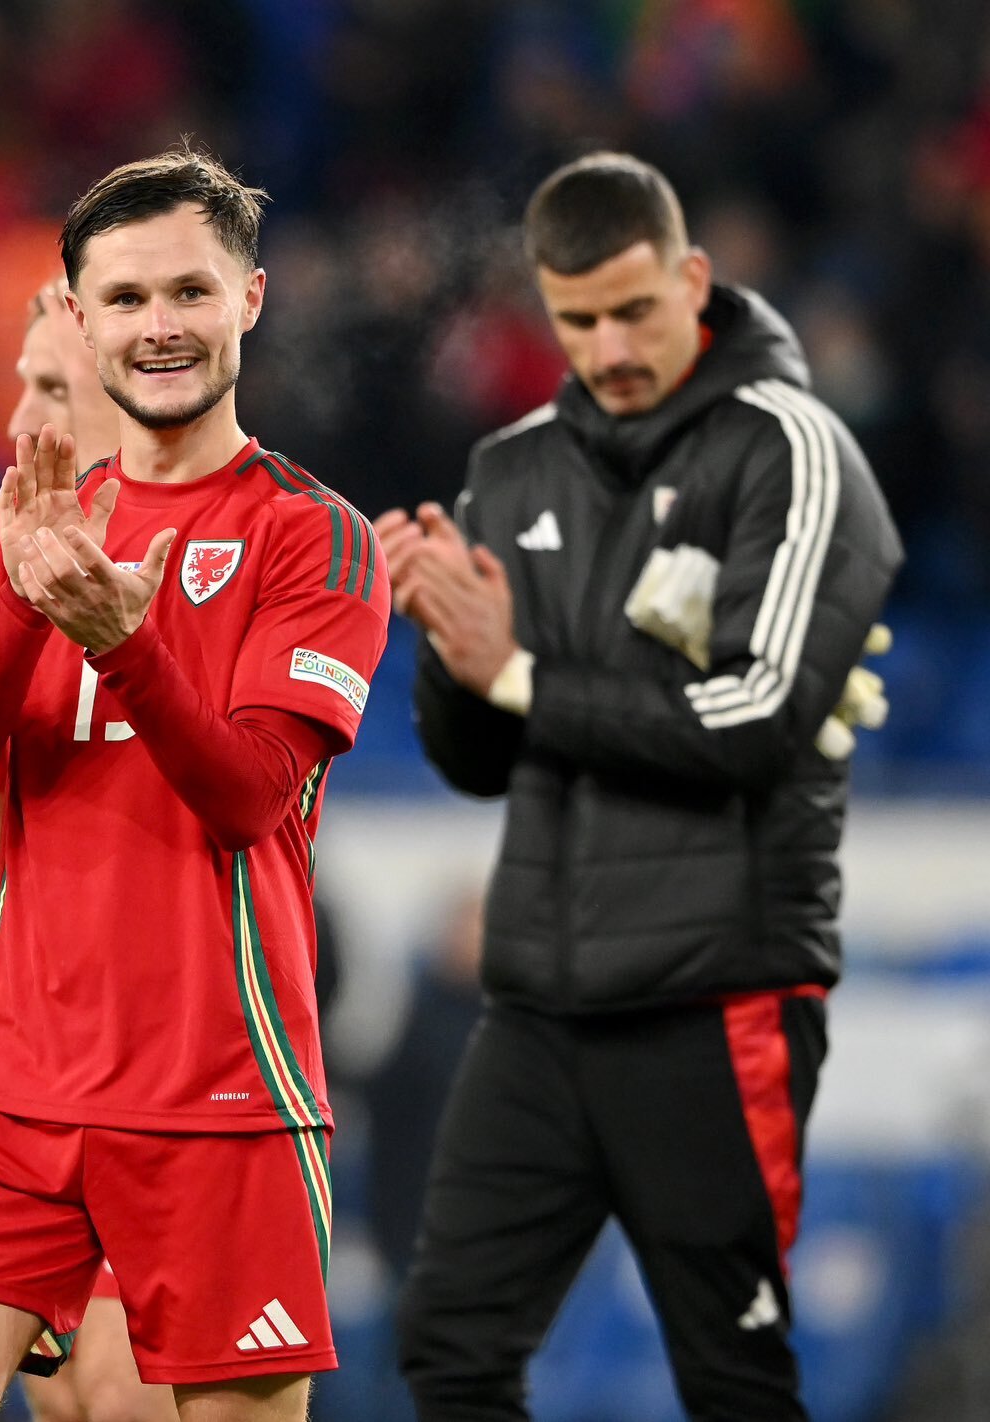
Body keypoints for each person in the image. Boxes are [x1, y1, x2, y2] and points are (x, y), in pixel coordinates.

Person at [375, 152, 902, 1421]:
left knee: (727, 1376)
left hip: (715, 994)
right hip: (541, 1000)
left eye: (632, 311)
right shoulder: (510, 468)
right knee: (447, 1344)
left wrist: (513, 673)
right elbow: (472, 761)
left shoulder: (792, 453)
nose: (606, 346)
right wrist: (454, 651)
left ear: (694, 280)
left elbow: (756, 715)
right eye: (576, 320)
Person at [0, 144, 391, 1422]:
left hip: (221, 1090)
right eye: (124, 299)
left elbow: (248, 795)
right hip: (10, 1086)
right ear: (78, 313)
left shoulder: (313, 536)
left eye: (188, 292)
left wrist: (121, 640)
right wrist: (20, 603)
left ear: (249, 299)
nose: (158, 326)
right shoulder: (19, 525)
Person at [0, 278, 173, 1422]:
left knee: (107, 1400)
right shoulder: (1, 553)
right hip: (16, 1068)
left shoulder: (231, 553)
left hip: (175, 1076)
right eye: (20, 384)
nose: (17, 419)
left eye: (51, 391)